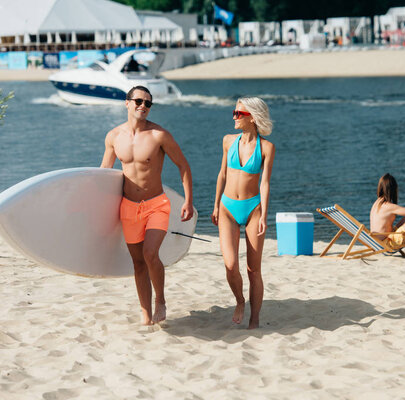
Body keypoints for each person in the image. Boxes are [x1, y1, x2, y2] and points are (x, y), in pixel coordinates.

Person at [100, 86, 193, 326]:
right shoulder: (113, 136)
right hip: (128, 207)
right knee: (138, 262)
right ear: (127, 103)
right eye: (139, 101)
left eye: (148, 103)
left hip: (156, 205)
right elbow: (103, 173)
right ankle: (146, 314)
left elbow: (183, 166)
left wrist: (188, 201)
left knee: (150, 254)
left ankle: (160, 300)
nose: (143, 106)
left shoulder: (159, 135)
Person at [211, 97, 275, 329]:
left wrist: (265, 217)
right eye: (235, 112)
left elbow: (265, 184)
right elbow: (222, 174)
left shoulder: (266, 147)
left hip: (253, 210)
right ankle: (240, 301)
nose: (234, 117)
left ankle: (255, 318)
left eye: (239, 114)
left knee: (253, 269)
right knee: (230, 265)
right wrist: (216, 204)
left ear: (253, 118)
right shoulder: (228, 141)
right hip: (228, 208)